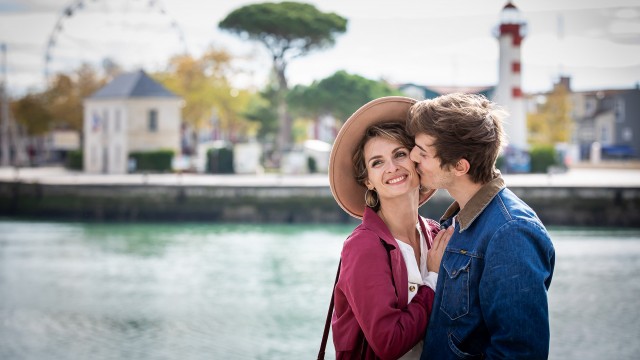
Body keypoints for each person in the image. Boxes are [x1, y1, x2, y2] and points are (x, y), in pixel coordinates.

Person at [406, 93, 556, 359]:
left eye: (423, 152)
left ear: (459, 166)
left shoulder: (512, 232)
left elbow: (519, 352)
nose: (412, 156)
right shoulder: (456, 222)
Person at [327, 96, 453, 359]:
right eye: (377, 162)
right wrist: (433, 279)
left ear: (417, 161)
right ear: (368, 181)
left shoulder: (434, 233)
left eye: (400, 154)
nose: (392, 167)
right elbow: (389, 343)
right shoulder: (363, 246)